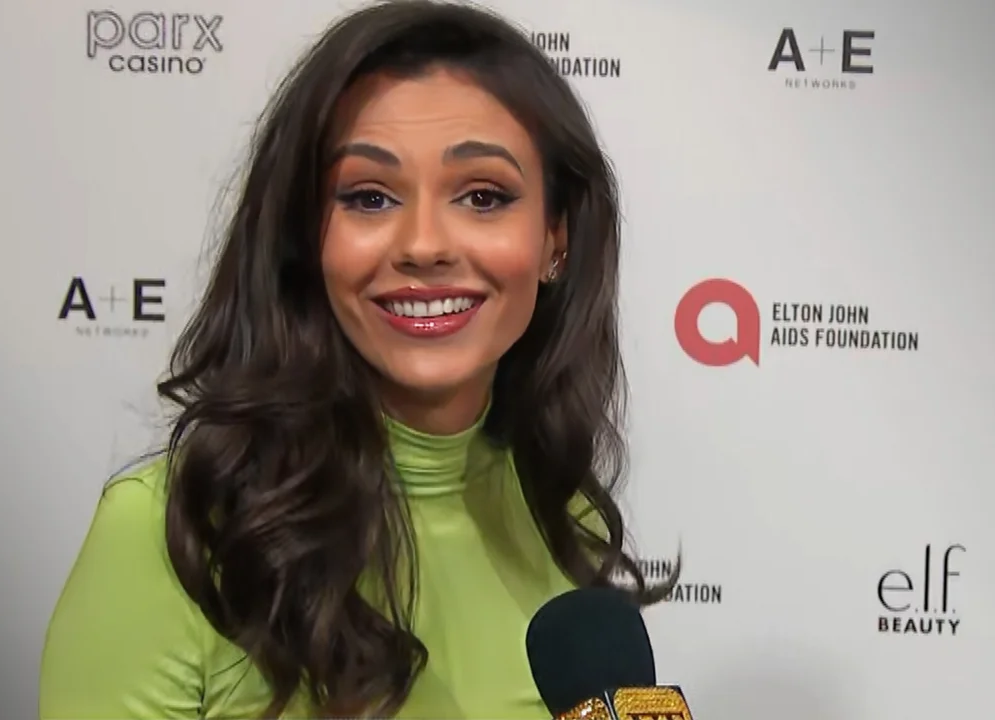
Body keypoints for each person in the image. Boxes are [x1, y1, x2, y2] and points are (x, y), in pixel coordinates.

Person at [38, 1, 677, 718]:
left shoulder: (561, 513)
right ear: (305, 236)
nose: (424, 245)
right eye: (369, 197)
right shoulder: (174, 532)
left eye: (482, 196)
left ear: (556, 238)